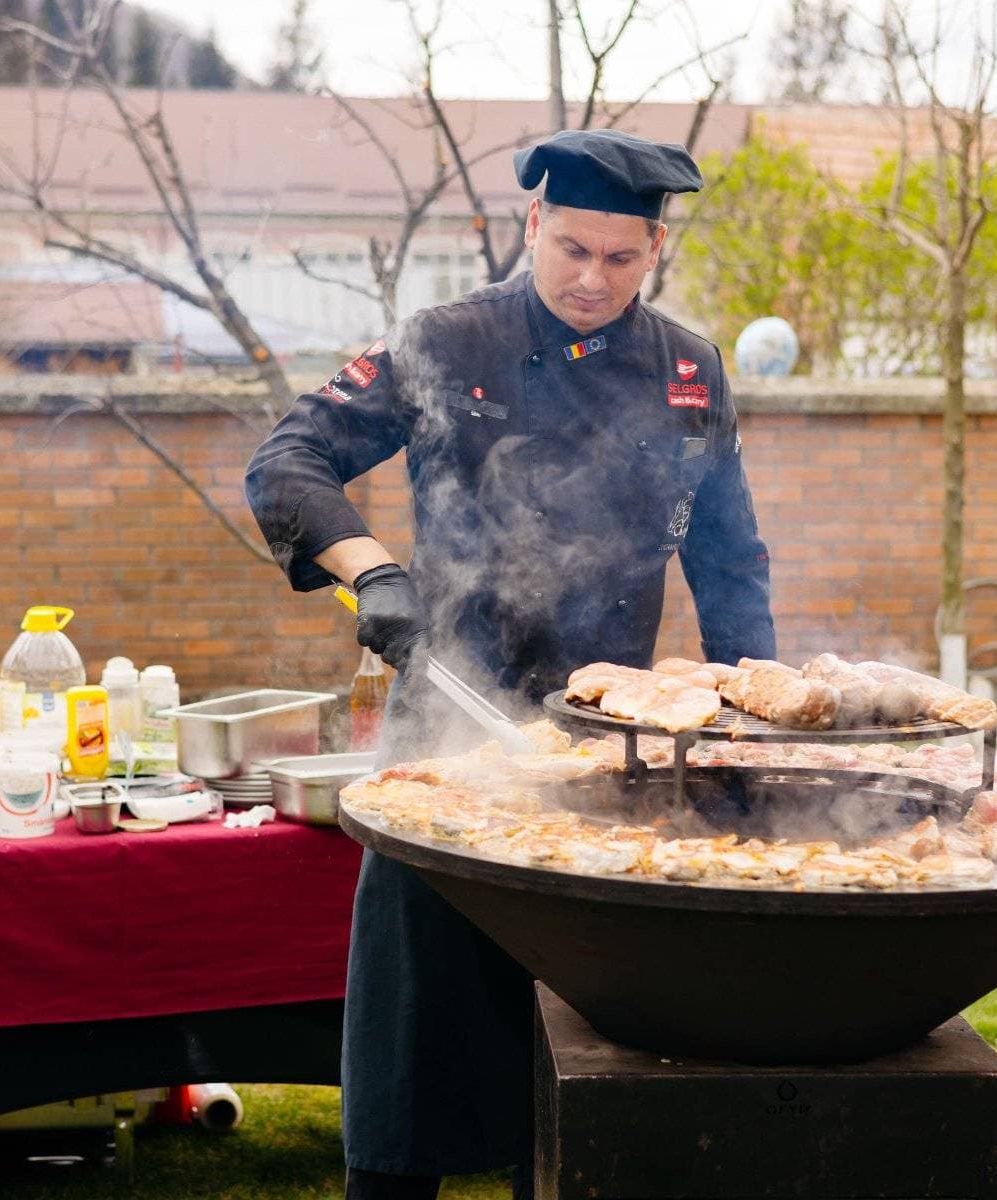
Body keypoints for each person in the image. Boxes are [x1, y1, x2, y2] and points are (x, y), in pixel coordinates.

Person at [244, 129, 777, 1199]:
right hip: (449, 721)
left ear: (656, 249)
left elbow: (732, 564)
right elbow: (286, 463)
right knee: (414, 1017)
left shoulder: (688, 370)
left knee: (580, 1037)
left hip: (608, 749)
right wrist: (377, 577)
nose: (592, 279)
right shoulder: (449, 340)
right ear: (533, 224)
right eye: (572, 248)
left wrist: (756, 717)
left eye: (622, 260)